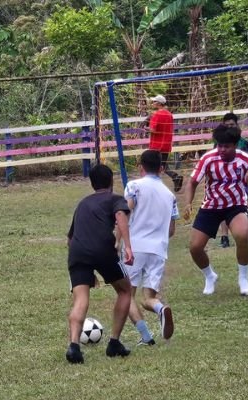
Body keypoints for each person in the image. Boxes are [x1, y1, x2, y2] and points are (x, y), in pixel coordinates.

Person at [183, 125, 248, 296]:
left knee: (242, 235)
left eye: (227, 146)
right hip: (211, 206)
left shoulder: (244, 158)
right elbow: (192, 182)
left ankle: (243, 278)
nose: (222, 150)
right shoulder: (208, 158)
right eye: (219, 145)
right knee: (195, 247)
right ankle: (210, 276)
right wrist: (188, 203)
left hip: (236, 205)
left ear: (235, 145)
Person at [66, 164, 134, 364]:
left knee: (80, 299)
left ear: (92, 183)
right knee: (125, 290)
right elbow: (121, 215)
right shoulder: (115, 199)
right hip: (103, 249)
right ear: (111, 181)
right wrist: (128, 247)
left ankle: (74, 346)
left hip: (77, 252)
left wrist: (87, 268)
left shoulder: (82, 203)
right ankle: (114, 343)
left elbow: (70, 239)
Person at [123, 150, 178, 345]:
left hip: (135, 247)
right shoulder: (170, 196)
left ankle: (146, 336)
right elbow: (171, 230)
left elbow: (125, 212)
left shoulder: (134, 186)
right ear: (162, 169)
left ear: (140, 167)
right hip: (158, 250)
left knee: (126, 295)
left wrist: (117, 240)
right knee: (148, 298)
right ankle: (160, 308)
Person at [216, 113, 248, 249]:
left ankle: (241, 236)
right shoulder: (218, 144)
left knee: (240, 210)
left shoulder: (244, 143)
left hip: (240, 184)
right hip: (223, 184)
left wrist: (245, 180)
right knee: (222, 208)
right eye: (227, 126)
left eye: (232, 125)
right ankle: (224, 237)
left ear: (237, 126)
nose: (229, 128)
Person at [148, 95, 183, 192]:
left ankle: (158, 186)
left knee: (155, 167)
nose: (153, 103)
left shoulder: (157, 115)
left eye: (154, 102)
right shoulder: (169, 114)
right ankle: (174, 177)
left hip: (156, 145)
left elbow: (153, 130)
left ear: (159, 103)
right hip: (166, 144)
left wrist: (146, 129)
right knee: (162, 165)